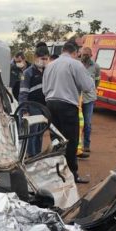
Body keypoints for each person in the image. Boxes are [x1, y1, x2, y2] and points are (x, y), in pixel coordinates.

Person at [42, 42, 94, 184]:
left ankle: (54, 172)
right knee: (71, 140)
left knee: (56, 140)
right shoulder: (75, 64)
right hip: (67, 105)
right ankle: (72, 173)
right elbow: (87, 86)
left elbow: (44, 89)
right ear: (75, 52)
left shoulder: (50, 65)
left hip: (50, 104)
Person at [19, 42, 50, 156]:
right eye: (42, 58)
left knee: (40, 133)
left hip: (44, 108)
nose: (44, 61)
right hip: (32, 107)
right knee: (32, 133)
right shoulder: (28, 73)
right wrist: (24, 110)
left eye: (46, 59)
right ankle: (31, 155)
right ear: (35, 58)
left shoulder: (47, 71)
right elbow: (23, 93)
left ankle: (37, 153)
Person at [79, 47, 101, 156]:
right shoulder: (77, 65)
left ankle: (86, 145)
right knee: (77, 122)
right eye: (83, 54)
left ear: (91, 55)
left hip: (89, 98)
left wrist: (92, 90)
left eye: (87, 54)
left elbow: (97, 81)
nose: (85, 56)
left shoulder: (96, 67)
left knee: (87, 123)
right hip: (77, 98)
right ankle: (76, 145)